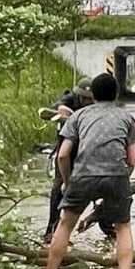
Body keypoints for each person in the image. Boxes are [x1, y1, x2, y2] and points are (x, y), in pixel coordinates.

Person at [43, 73, 135, 269]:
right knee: (123, 227)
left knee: (65, 226)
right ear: (116, 94)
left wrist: (68, 182)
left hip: (83, 176)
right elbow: (132, 161)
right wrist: (120, 177)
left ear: (92, 95)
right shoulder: (126, 118)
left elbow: (63, 155)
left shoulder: (78, 117)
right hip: (116, 175)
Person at [39, 77, 94, 243]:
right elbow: (60, 107)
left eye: (91, 99)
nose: (88, 102)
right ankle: (52, 230)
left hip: (88, 148)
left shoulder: (97, 104)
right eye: (86, 99)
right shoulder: (70, 98)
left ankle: (107, 226)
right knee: (59, 186)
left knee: (98, 185)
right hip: (67, 147)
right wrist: (66, 112)